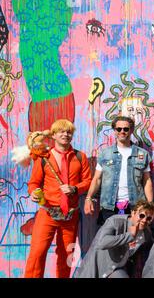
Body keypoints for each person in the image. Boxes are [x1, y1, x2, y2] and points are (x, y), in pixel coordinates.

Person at [25, 119, 92, 278]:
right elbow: (33, 183)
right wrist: (33, 192)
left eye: (69, 132)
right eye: (61, 131)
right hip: (47, 214)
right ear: (53, 135)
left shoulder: (80, 157)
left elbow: (88, 181)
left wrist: (75, 188)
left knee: (66, 256)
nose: (65, 134)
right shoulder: (43, 157)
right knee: (37, 254)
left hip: (70, 215)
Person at [84, 116, 153, 225]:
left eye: (126, 129)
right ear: (114, 131)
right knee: (111, 239)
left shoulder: (142, 154)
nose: (122, 131)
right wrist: (89, 198)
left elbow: (147, 181)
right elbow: (97, 179)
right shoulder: (105, 153)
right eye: (119, 129)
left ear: (131, 130)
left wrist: (150, 205)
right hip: (109, 206)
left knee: (133, 239)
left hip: (136, 206)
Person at [75, 200, 154, 278]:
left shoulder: (146, 233)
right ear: (133, 213)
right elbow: (102, 243)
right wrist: (129, 235)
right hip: (95, 268)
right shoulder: (115, 221)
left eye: (148, 218)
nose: (144, 220)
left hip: (115, 270)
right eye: (141, 215)